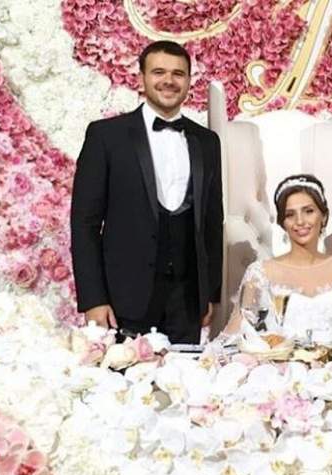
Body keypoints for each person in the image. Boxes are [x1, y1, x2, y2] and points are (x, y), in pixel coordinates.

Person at [70, 40, 223, 344]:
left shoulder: (207, 141)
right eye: (159, 72)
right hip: (124, 299)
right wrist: (93, 299)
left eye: (178, 73)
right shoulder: (106, 136)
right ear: (141, 78)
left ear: (189, 81)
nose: (169, 80)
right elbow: (84, 223)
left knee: (186, 375)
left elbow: (211, 223)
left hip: (186, 302)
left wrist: (210, 292)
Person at [224, 174, 332, 343]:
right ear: (283, 223)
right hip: (278, 359)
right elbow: (231, 335)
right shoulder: (260, 272)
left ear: (323, 216)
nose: (300, 221)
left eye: (308, 211)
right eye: (290, 215)